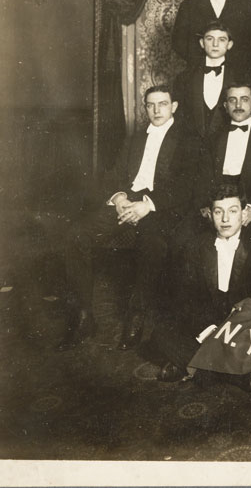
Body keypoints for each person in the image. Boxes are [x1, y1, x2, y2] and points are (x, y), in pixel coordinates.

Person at [56, 85, 199, 351]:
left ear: (174, 107)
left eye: (163, 104)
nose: (156, 111)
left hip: (159, 208)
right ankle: (84, 316)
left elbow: (185, 186)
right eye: (151, 105)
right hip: (126, 201)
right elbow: (113, 174)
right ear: (145, 108)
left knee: (152, 245)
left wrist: (148, 206)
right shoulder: (134, 138)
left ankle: (136, 315)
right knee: (76, 235)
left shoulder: (187, 139)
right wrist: (120, 198)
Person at [151, 184, 251, 383]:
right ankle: (228, 375)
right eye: (218, 212)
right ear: (209, 215)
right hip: (207, 324)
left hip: (243, 328)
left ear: (243, 214)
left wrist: (229, 331)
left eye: (232, 211)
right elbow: (187, 299)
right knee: (160, 333)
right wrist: (209, 330)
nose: (225, 219)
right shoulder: (195, 247)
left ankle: (193, 366)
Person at [201, 82, 251, 225]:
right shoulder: (214, 137)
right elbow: (203, 175)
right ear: (226, 106)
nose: (238, 105)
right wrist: (206, 206)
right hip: (217, 204)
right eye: (232, 100)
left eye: (244, 99)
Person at [172, 20, 251, 141]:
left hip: (228, 145)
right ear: (202, 43)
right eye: (210, 39)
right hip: (192, 149)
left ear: (229, 45)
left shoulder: (241, 77)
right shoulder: (184, 78)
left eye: (222, 39)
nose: (215, 44)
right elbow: (179, 118)